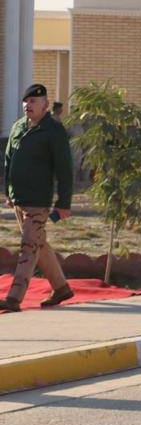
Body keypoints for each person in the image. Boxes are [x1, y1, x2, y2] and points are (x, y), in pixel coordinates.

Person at [2, 84, 75, 312]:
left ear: (45, 104)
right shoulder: (18, 128)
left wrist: (64, 203)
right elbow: (8, 161)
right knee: (38, 244)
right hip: (19, 199)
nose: (28, 105)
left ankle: (14, 298)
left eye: (34, 101)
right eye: (26, 102)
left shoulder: (54, 130)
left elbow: (64, 169)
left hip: (38, 200)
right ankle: (61, 288)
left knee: (28, 246)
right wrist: (8, 192)